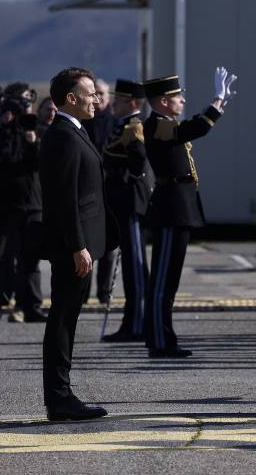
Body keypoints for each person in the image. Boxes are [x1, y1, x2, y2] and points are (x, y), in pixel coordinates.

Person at [40, 67, 116, 421]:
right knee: (62, 317)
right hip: (74, 247)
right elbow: (63, 199)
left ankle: (62, 394)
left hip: (81, 243)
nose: (96, 99)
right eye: (90, 93)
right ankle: (59, 398)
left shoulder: (75, 131)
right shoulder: (63, 137)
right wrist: (77, 245)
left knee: (68, 316)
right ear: (71, 98)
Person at [143, 68, 235, 358]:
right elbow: (195, 128)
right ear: (163, 101)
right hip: (170, 208)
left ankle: (162, 338)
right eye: (177, 96)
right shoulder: (155, 124)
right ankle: (160, 340)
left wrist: (218, 103)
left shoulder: (164, 123)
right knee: (163, 280)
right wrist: (216, 101)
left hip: (178, 206)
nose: (182, 100)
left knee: (169, 280)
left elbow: (189, 129)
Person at [0, 85, 45, 324]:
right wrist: (6, 129)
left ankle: (32, 307)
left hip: (31, 205)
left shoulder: (34, 130)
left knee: (30, 260)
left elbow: (40, 163)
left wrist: (32, 141)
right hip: (4, 205)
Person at [101, 79, 151, 342]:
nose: (113, 104)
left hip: (130, 201)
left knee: (135, 266)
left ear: (131, 103)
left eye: (118, 100)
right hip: (120, 203)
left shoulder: (134, 126)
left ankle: (138, 324)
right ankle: (131, 322)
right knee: (131, 266)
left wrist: (128, 178)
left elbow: (138, 158)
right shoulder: (121, 125)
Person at [85, 78, 120, 307]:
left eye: (102, 94)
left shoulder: (116, 123)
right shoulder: (83, 122)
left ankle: (104, 292)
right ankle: (83, 292)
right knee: (87, 245)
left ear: (109, 97)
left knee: (109, 246)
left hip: (110, 191)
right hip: (89, 192)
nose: (98, 98)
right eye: (94, 93)